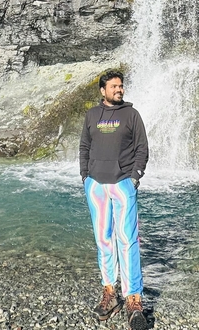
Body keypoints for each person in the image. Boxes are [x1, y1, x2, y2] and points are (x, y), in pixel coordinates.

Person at [79, 70, 149, 330]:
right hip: (96, 185)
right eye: (114, 86)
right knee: (103, 240)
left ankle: (133, 298)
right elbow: (84, 146)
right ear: (102, 90)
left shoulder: (131, 115)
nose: (119, 90)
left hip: (122, 184)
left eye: (121, 86)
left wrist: (134, 177)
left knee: (127, 239)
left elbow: (142, 148)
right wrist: (85, 176)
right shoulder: (92, 115)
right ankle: (110, 291)